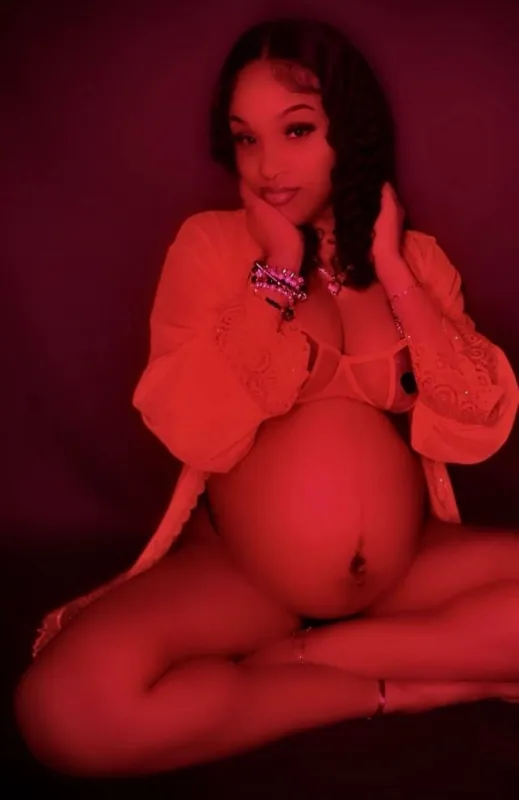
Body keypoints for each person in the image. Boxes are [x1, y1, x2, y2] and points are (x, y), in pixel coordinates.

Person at [14, 16, 519, 778]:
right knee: (66, 711)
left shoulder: (414, 258)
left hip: (403, 570)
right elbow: (195, 425)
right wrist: (278, 270)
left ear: (349, 129)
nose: (266, 165)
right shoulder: (212, 246)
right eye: (245, 138)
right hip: (245, 576)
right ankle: (397, 688)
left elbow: (474, 415)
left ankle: (311, 657)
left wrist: (392, 269)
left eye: (296, 130)